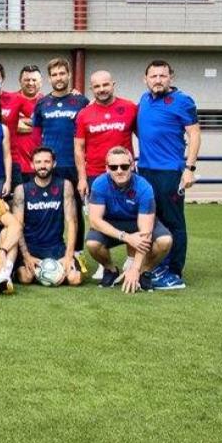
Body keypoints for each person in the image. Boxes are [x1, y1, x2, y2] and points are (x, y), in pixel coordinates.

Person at [136, 59, 199, 288]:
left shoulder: (182, 100)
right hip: (144, 171)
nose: (158, 80)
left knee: (174, 222)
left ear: (170, 77)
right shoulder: (144, 100)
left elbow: (194, 135)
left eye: (162, 76)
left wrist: (189, 169)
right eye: (153, 76)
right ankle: (159, 264)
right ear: (146, 79)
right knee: (152, 220)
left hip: (169, 172)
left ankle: (174, 272)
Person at [84, 146, 174, 293]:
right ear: (107, 168)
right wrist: (126, 237)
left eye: (124, 166)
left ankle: (144, 272)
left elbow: (145, 232)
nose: (119, 170)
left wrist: (135, 268)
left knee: (165, 241)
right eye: (113, 167)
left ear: (132, 165)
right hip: (112, 224)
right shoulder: (99, 184)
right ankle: (111, 271)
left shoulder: (144, 187)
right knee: (92, 244)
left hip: (139, 223)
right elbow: (95, 220)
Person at [32, 57, 89, 264]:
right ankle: (50, 249)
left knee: (75, 209)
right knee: (50, 208)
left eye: (62, 73)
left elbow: (87, 133)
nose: (58, 78)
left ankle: (77, 253)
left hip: (73, 165)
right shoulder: (42, 103)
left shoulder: (81, 101)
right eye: (54, 74)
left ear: (69, 75)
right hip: (50, 166)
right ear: (49, 78)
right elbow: (36, 136)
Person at [11, 147, 80, 286]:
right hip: (31, 247)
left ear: (54, 163)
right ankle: (46, 271)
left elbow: (72, 222)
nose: (42, 166)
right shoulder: (22, 190)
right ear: (32, 164)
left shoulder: (65, 185)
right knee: (25, 278)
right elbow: (17, 226)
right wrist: (26, 256)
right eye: (38, 162)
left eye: (47, 161)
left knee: (75, 279)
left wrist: (68, 255)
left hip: (56, 247)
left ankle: (49, 270)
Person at [73, 70, 137, 203]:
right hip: (95, 175)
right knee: (97, 218)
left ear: (113, 85)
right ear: (91, 89)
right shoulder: (83, 114)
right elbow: (78, 148)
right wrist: (82, 178)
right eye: (97, 86)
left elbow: (145, 137)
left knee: (129, 217)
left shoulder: (130, 107)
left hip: (124, 172)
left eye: (105, 85)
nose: (101, 89)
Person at [10, 65, 44, 186]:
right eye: (27, 80)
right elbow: (6, 126)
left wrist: (22, 123)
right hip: (14, 165)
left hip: (40, 166)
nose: (30, 83)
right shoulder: (10, 100)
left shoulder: (47, 103)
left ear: (41, 82)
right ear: (20, 81)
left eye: (34, 80)